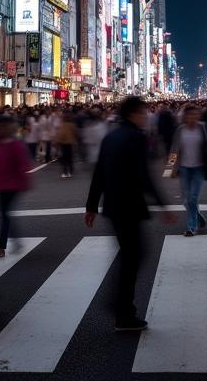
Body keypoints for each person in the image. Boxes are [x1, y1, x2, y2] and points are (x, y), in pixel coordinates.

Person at [86, 97, 172, 332]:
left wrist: (92, 205)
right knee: (133, 257)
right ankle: (123, 311)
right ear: (133, 114)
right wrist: (163, 205)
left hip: (113, 206)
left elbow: (99, 172)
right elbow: (144, 175)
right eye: (143, 112)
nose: (146, 116)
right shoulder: (136, 137)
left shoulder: (110, 136)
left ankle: (122, 308)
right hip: (130, 205)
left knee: (129, 256)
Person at [170, 104, 207, 236]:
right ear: (185, 116)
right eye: (189, 115)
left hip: (199, 169)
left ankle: (192, 227)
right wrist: (170, 169)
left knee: (193, 198)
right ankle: (199, 217)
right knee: (186, 200)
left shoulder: (203, 128)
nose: (192, 117)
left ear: (198, 116)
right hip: (184, 169)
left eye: (195, 114)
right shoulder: (180, 130)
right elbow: (174, 149)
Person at [0, 115, 32, 258]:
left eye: (4, 127)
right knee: (4, 214)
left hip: (12, 185)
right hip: (0, 184)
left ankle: (1, 246)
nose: (0, 130)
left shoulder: (16, 145)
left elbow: (24, 165)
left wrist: (24, 181)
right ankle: (14, 241)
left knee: (5, 214)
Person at [56, 112, 78, 179]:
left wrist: (57, 141)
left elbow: (61, 134)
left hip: (64, 143)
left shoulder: (63, 125)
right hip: (71, 143)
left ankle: (65, 172)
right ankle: (71, 171)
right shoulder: (72, 125)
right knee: (70, 158)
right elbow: (75, 133)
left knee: (64, 158)